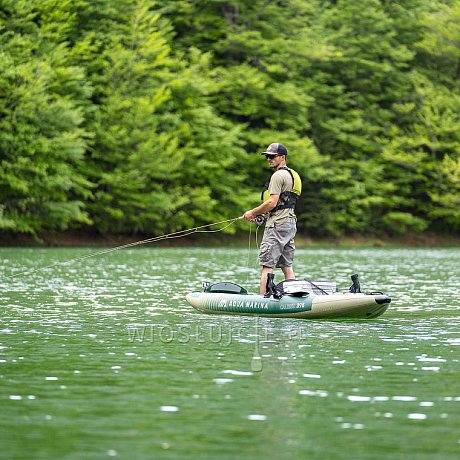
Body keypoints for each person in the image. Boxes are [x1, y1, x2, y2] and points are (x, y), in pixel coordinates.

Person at [242, 143, 302, 295]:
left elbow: (271, 202)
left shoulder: (277, 175)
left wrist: (253, 212)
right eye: (267, 156)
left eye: (272, 156)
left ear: (283, 157)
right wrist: (262, 216)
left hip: (277, 225)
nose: (269, 159)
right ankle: (294, 297)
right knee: (286, 266)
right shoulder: (293, 175)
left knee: (267, 265)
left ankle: (262, 300)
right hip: (289, 223)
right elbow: (283, 203)